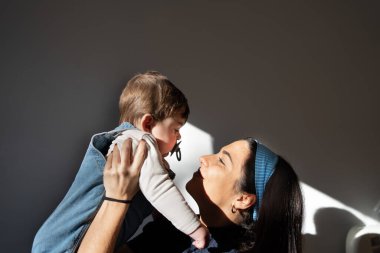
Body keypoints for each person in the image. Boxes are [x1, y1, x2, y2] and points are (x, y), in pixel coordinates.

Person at [32, 71, 208, 253]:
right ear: (148, 124)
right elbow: (159, 189)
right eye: (176, 129)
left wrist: (163, 216)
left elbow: (152, 195)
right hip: (66, 243)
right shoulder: (139, 143)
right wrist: (195, 229)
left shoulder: (128, 142)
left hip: (55, 240)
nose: (178, 136)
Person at [79, 137, 304, 253]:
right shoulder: (174, 230)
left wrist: (117, 198)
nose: (204, 158)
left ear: (243, 199)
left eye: (222, 160)